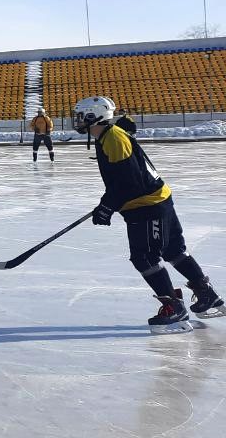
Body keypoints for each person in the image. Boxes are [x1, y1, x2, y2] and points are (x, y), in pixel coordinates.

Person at [73, 95, 221, 332]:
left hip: (147, 205)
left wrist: (107, 207)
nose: (77, 120)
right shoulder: (108, 137)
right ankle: (207, 295)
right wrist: (106, 204)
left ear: (95, 116)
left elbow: (129, 182)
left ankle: (174, 309)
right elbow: (123, 181)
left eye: (81, 116)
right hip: (157, 199)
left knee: (145, 257)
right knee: (173, 249)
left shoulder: (113, 138)